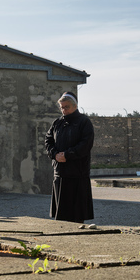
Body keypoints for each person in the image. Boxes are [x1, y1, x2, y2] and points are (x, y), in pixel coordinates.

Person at [44, 92, 96, 228]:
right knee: (61, 214)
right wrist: (55, 154)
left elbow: (85, 144)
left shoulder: (84, 122)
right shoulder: (57, 123)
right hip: (60, 172)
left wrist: (67, 155)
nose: (63, 110)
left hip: (77, 173)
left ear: (75, 106)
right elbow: (48, 140)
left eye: (66, 107)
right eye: (61, 107)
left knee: (77, 213)